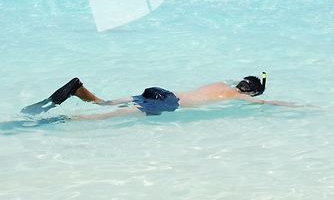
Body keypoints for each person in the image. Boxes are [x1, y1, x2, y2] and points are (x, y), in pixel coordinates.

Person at [21, 72, 314, 120]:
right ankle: (62, 122)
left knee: (107, 102)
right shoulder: (237, 97)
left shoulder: (218, 83)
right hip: (168, 103)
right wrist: (298, 104)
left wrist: (255, 79)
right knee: (107, 116)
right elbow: (268, 102)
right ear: (250, 91)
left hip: (163, 91)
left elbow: (237, 78)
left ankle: (80, 89)